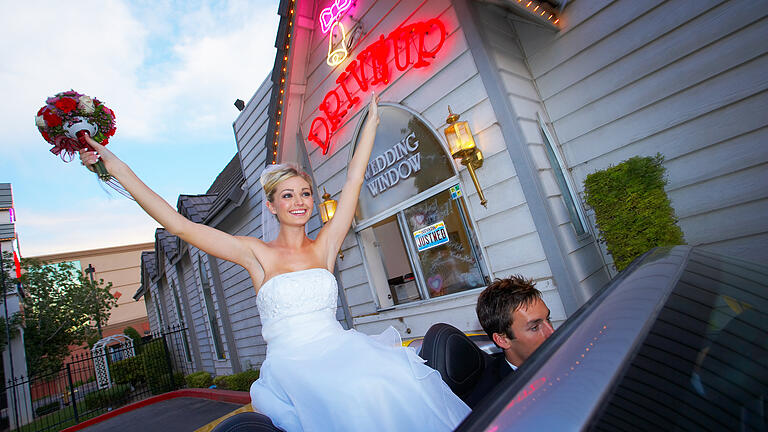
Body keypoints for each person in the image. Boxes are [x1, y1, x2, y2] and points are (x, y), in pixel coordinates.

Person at [79, 93, 470, 432]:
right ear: (271, 205)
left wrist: (372, 123)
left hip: (342, 349)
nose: (299, 202)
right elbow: (178, 224)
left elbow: (353, 182)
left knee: (392, 381)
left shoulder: (325, 246)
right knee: (355, 395)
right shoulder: (256, 254)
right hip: (294, 365)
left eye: (305, 193)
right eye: (287, 195)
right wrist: (110, 163)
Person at [466, 275, 554, 408]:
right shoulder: (494, 405)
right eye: (535, 327)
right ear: (502, 340)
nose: (551, 332)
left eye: (548, 319)